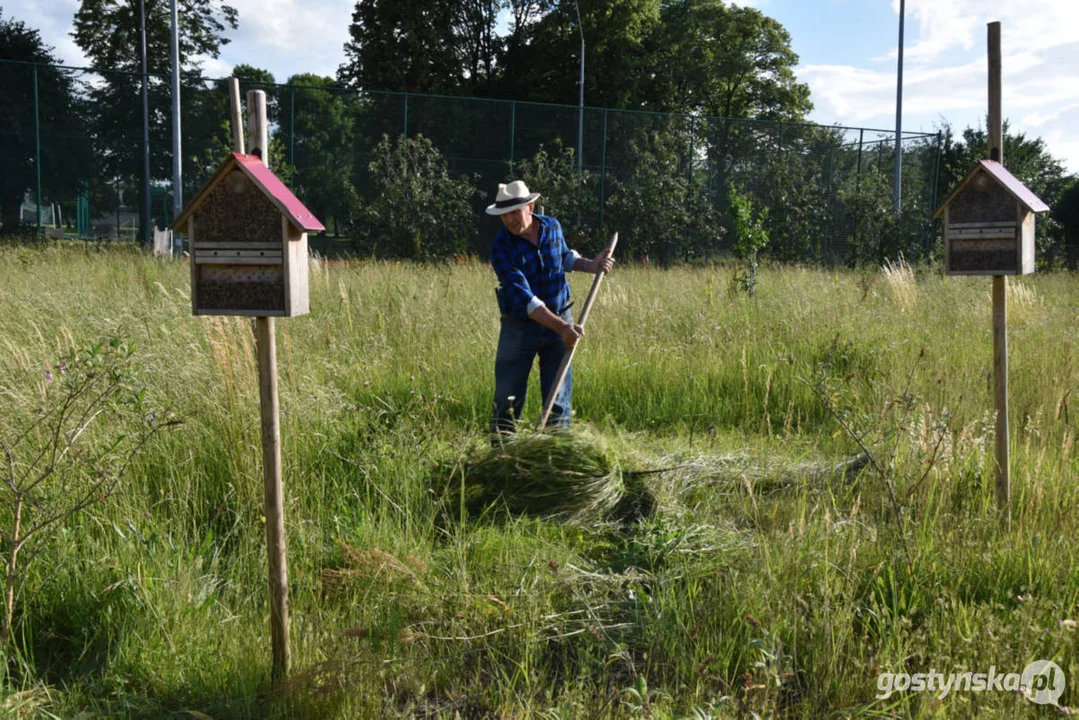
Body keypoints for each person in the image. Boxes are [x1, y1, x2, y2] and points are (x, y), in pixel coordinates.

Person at [487, 180, 615, 434]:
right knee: (507, 399)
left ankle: (555, 456)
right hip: (520, 327)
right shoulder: (501, 248)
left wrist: (590, 265)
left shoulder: (552, 226)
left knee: (558, 400)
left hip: (560, 317)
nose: (510, 220)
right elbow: (526, 300)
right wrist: (563, 328)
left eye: (515, 212)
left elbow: (565, 256)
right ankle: (502, 457)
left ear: (530, 207)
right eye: (504, 215)